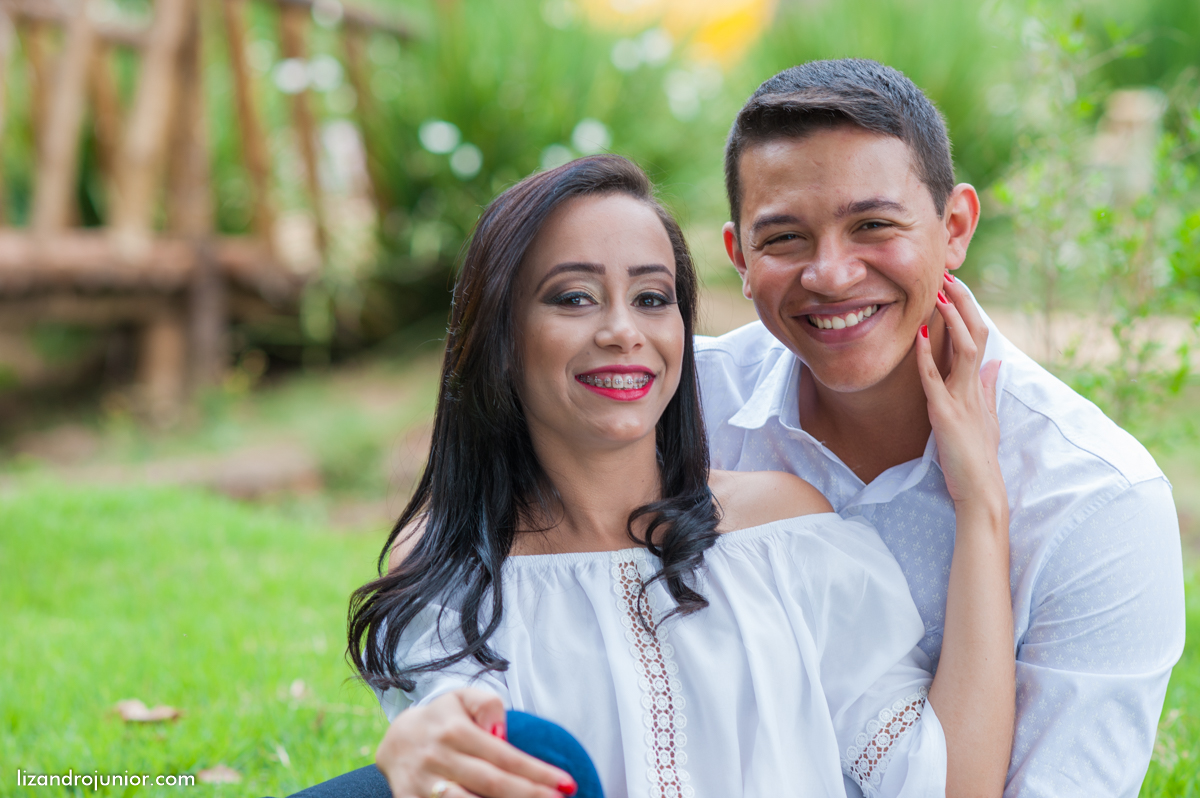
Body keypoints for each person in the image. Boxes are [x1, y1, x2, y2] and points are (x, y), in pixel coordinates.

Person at [335, 154, 1015, 798]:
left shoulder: (785, 535)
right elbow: (448, 748)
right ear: (501, 338)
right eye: (573, 298)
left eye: (653, 298)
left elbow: (945, 784)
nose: (623, 330)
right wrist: (412, 754)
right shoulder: (454, 568)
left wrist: (980, 500)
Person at [700, 58, 1185, 798]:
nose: (830, 274)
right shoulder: (681, 412)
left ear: (954, 227)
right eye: (785, 239)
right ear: (739, 255)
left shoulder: (1096, 501)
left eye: (873, 225)